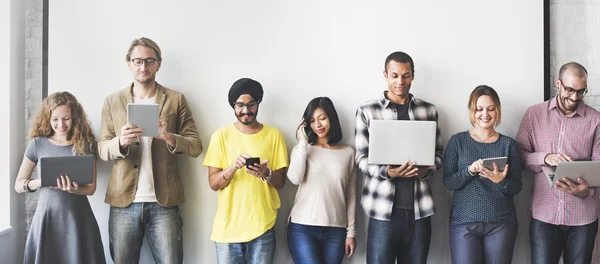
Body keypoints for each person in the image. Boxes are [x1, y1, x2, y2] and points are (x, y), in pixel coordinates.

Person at [98, 37, 203, 264]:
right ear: (129, 63)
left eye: (149, 61)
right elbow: (102, 148)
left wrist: (169, 137)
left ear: (158, 63)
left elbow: (195, 145)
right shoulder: (113, 101)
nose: (143, 67)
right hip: (123, 201)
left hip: (164, 202)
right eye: (137, 61)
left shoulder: (175, 99)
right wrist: (121, 142)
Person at [355, 51, 443, 264]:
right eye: (395, 75)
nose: (400, 81)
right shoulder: (368, 111)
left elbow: (439, 155)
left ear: (413, 76)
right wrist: (387, 172)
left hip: (419, 211)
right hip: (382, 212)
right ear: (385, 75)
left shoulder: (428, 111)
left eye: (405, 76)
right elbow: (361, 158)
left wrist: (425, 170)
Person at [516, 62, 600, 264]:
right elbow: (517, 156)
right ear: (558, 84)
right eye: (570, 90)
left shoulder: (596, 120)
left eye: (581, 92)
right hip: (545, 216)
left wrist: (588, 192)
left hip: (583, 217)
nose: (574, 97)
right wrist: (544, 157)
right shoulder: (533, 115)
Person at [204, 78, 289, 264]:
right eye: (240, 105)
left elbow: (281, 182)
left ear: (258, 103)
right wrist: (233, 167)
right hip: (227, 230)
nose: (245, 111)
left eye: (251, 104)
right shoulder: (220, 136)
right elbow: (213, 183)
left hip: (263, 226)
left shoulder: (274, 136)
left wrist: (266, 173)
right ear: (233, 105)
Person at [15, 91, 105, 264]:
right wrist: (42, 182)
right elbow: (19, 185)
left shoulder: (86, 144)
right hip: (47, 217)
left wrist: (74, 188)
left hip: (78, 219)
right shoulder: (37, 144)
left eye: (66, 118)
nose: (61, 124)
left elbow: (91, 189)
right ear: (47, 118)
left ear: (75, 117)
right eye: (55, 119)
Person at [443, 85, 522, 264]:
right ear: (472, 111)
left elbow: (517, 186)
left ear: (497, 111)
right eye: (479, 109)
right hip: (464, 223)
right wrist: (469, 171)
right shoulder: (457, 141)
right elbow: (448, 182)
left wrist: (500, 181)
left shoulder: (509, 144)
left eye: (490, 109)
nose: (485, 114)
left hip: (501, 224)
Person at [287, 97, 357, 264]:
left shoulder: (348, 153)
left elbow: (351, 195)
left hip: (336, 231)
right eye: (312, 120)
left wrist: (351, 233)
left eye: (322, 118)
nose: (317, 125)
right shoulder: (301, 150)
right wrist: (303, 142)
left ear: (331, 118)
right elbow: (294, 179)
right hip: (302, 228)